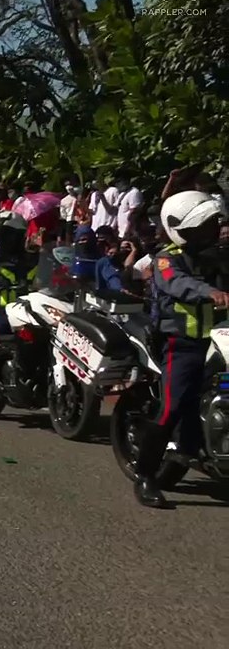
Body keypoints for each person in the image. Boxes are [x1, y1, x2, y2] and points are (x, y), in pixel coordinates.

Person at [133, 191, 229, 509]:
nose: (210, 231)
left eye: (211, 224)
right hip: (182, 345)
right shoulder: (166, 258)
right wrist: (211, 292)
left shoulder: (217, 255)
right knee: (172, 408)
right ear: (181, 229)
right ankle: (145, 476)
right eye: (202, 226)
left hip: (218, 340)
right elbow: (177, 283)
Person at [0, 211, 37, 336]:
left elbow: (49, 275)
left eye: (8, 235)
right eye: (0, 236)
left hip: (31, 306)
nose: (4, 239)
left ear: (20, 235)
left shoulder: (34, 257)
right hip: (0, 307)